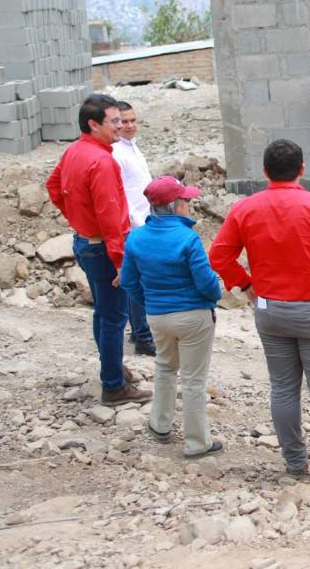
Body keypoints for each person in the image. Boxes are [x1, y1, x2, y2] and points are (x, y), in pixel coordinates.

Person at [208, 139, 310, 475]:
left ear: (265, 171)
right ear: (302, 169)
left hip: (272, 311)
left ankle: (294, 463)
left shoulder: (245, 209)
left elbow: (218, 255)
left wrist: (247, 284)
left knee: (282, 388)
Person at [45, 93, 152, 407]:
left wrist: (78, 218)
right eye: (114, 121)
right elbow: (111, 217)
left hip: (84, 242)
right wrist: (121, 262)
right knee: (114, 318)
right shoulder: (102, 161)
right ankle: (113, 385)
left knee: (104, 314)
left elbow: (54, 187)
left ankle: (113, 369)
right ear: (93, 124)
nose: (120, 126)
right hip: (103, 247)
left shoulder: (75, 150)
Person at [120, 176, 223, 458]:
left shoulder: (137, 237)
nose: (189, 205)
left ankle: (160, 424)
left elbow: (128, 281)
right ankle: (197, 442)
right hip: (192, 316)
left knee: (165, 367)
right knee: (193, 379)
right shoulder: (188, 237)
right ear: (175, 206)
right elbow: (205, 282)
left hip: (158, 315)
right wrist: (216, 293)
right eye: (186, 201)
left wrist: (150, 302)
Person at [112, 101, 155, 357]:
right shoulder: (116, 153)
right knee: (138, 281)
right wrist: (137, 225)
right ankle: (142, 336)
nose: (129, 126)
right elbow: (120, 195)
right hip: (133, 226)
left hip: (143, 221)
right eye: (123, 121)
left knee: (136, 280)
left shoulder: (133, 148)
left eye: (132, 120)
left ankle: (137, 329)